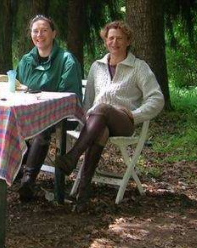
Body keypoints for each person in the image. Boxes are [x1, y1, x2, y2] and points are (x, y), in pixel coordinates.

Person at [54, 21, 165, 212]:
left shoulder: (139, 67)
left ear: (128, 41)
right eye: (110, 38)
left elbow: (157, 99)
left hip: (123, 122)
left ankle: (73, 157)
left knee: (103, 108)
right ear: (105, 41)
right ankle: (83, 195)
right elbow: (88, 101)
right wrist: (85, 123)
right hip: (97, 123)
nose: (115, 42)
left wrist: (136, 114)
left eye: (120, 38)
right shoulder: (97, 67)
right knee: (101, 131)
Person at [15, 15, 83, 202]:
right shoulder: (26, 60)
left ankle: (28, 180)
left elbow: (69, 97)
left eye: (44, 30)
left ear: (54, 33)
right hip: (27, 113)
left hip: (58, 116)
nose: (39, 34)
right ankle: (12, 172)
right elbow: (17, 87)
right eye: (35, 31)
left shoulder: (66, 60)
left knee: (42, 128)